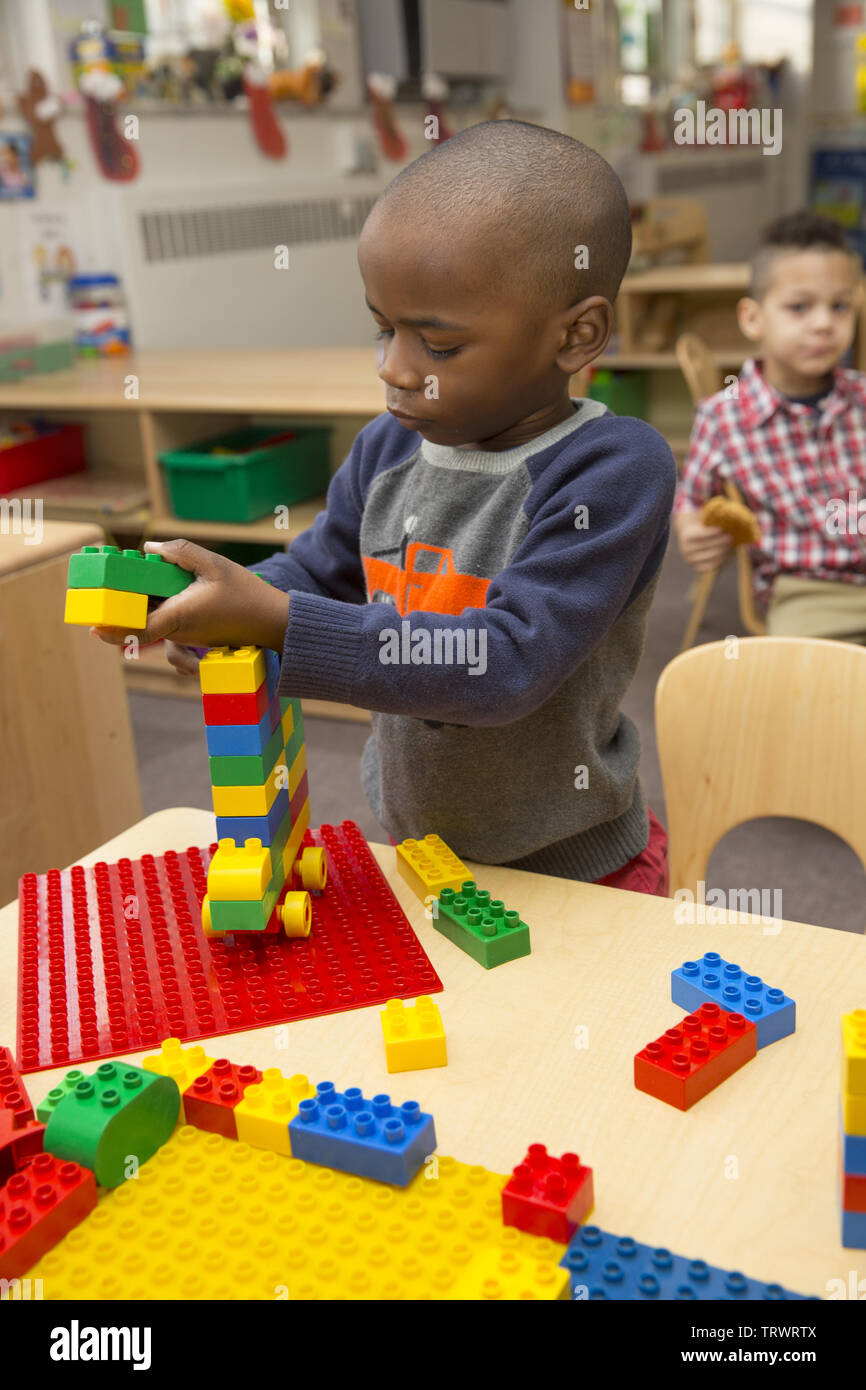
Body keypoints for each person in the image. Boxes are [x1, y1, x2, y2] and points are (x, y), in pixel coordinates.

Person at [98, 121, 676, 891]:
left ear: (577, 335)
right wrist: (209, 604)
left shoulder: (613, 469)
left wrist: (274, 622)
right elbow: (315, 571)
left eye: (438, 347)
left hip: (576, 864)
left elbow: (504, 663)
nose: (395, 370)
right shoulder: (387, 446)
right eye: (382, 327)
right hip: (419, 847)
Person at [675, 210, 866, 641]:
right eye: (799, 307)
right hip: (806, 592)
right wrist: (690, 529)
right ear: (752, 318)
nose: (823, 323)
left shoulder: (862, 397)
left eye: (839, 306)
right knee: (811, 684)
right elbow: (690, 498)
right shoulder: (723, 417)